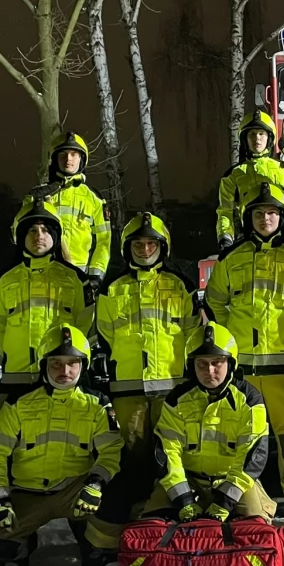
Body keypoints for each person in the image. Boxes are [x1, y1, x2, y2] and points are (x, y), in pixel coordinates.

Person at [204, 182, 284, 554]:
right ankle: (237, 518)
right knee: (234, 449)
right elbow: (215, 306)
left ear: (282, 218)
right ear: (248, 218)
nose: (266, 218)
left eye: (272, 213)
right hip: (239, 377)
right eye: (259, 214)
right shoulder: (230, 259)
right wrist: (234, 345)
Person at [0, 323, 124, 566]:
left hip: (76, 491)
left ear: (82, 366)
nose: (64, 371)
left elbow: (111, 451)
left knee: (118, 494)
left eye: (72, 363)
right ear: (44, 365)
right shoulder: (17, 405)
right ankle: (22, 547)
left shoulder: (98, 404)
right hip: (28, 494)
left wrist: (96, 484)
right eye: (56, 363)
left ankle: (97, 552)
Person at [95, 213, 201, 526]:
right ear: (127, 248)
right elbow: (104, 332)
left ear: (162, 246)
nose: (144, 249)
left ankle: (166, 519)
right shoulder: (112, 288)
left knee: (171, 455)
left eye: (151, 243)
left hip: (172, 388)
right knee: (130, 459)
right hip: (128, 390)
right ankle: (129, 524)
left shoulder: (180, 285)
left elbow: (194, 331)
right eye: (138, 244)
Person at [143, 322, 275, 521]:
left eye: (217, 362)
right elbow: (167, 452)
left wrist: (225, 502)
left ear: (231, 363)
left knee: (255, 524)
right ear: (192, 365)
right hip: (188, 480)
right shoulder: (177, 399)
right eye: (202, 364)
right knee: (153, 520)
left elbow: (253, 455)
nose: (210, 370)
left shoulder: (249, 400)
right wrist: (184, 500)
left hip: (234, 481)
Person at [0, 199, 95, 393]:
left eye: (45, 230)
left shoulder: (76, 279)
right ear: (21, 236)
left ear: (55, 235)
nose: (39, 236)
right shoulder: (3, 279)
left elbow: (85, 324)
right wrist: (11, 355)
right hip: (16, 377)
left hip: (61, 378)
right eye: (32, 231)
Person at [19, 132, 111, 286]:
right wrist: (32, 203)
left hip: (81, 280)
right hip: (41, 277)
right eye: (63, 154)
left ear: (82, 159)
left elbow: (103, 242)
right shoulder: (38, 195)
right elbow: (17, 234)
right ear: (54, 159)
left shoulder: (94, 199)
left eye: (74, 154)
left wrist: (95, 277)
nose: (68, 159)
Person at [217, 110, 284, 249]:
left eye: (261, 134)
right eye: (251, 134)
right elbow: (225, 213)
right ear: (244, 139)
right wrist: (225, 240)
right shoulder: (232, 176)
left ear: (269, 138)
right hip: (246, 244)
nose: (256, 138)